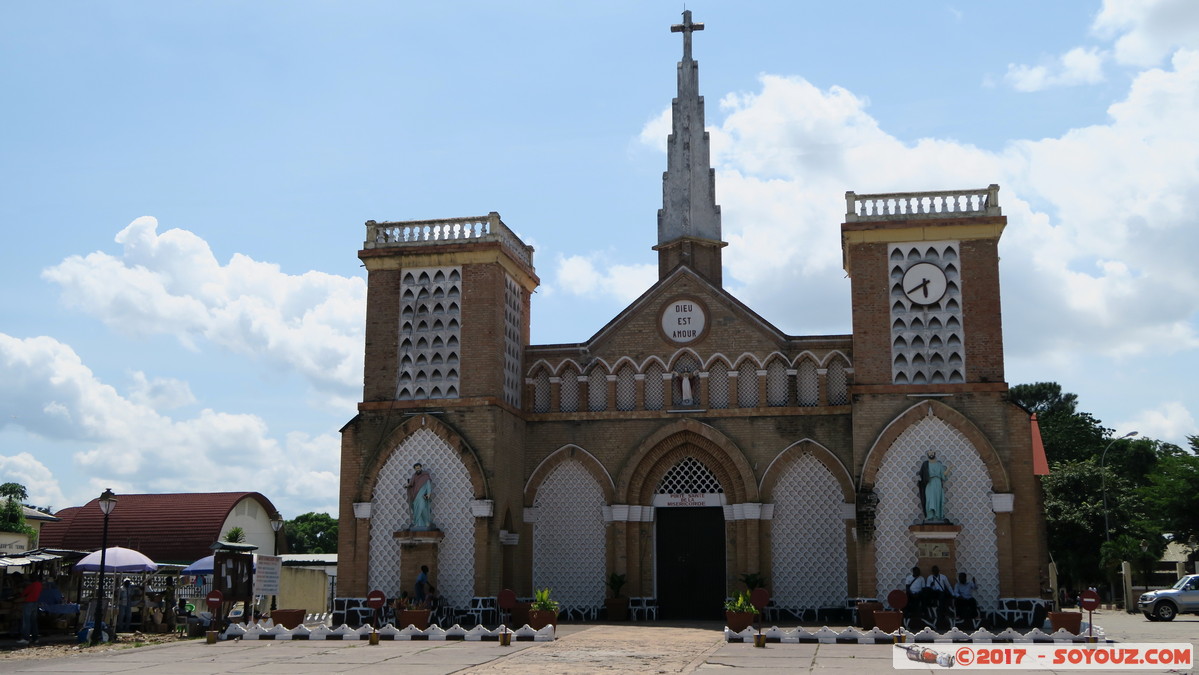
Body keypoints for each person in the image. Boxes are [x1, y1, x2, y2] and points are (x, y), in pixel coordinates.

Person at [919, 451, 948, 521]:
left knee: (937, 499)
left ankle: (937, 516)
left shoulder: (939, 465)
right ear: (927, 455)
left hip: (937, 482)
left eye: (932, 453)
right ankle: (930, 516)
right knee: (929, 500)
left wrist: (948, 471)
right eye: (929, 453)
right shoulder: (925, 464)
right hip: (929, 483)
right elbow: (921, 474)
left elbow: (943, 476)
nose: (931, 454)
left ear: (934, 454)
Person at [405, 462, 434, 530]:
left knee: (422, 507)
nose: (417, 469)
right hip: (416, 496)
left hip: (422, 495)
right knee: (416, 509)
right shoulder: (414, 476)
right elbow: (411, 484)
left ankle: (426, 522)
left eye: (418, 468)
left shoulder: (425, 476)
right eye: (416, 468)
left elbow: (428, 486)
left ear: (421, 467)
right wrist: (407, 486)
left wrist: (429, 494)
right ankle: (417, 523)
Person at [19, 572, 42, 645]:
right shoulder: (39, 585)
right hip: (35, 603)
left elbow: (24, 593)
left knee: (26, 621)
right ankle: (35, 638)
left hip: (29, 603)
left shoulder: (32, 585)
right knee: (33, 621)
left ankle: (26, 638)